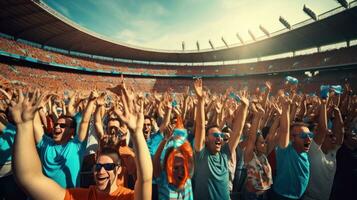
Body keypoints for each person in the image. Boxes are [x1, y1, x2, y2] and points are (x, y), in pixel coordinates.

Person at [10, 88, 152, 200]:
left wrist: (137, 132)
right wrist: (24, 126)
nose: (101, 171)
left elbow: (145, 179)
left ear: (119, 169)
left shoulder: (128, 197)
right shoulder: (81, 196)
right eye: (98, 166)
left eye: (108, 166)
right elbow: (29, 178)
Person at [192, 79, 249, 200]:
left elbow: (238, 132)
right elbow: (201, 127)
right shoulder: (201, 155)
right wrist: (201, 100)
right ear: (206, 139)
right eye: (215, 135)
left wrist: (244, 107)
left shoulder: (225, 154)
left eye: (220, 135)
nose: (219, 137)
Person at [32, 90, 98, 188]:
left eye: (62, 125)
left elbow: (84, 121)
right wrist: (36, 106)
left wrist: (91, 101)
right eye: (56, 124)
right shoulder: (45, 143)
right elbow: (36, 124)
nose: (57, 127)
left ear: (72, 131)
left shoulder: (76, 145)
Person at [270, 96, 312, 200]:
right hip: (282, 197)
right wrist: (285, 108)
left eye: (310, 135)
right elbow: (285, 130)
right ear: (292, 138)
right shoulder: (285, 150)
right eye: (303, 136)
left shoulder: (303, 151)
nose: (308, 139)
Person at [304, 99, 344, 200]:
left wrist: (337, 112)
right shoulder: (313, 151)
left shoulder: (332, 152)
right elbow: (322, 129)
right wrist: (323, 104)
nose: (334, 138)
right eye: (330, 136)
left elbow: (340, 134)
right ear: (322, 138)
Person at [153, 117, 194, 200]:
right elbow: (156, 161)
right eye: (175, 168)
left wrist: (183, 139)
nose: (180, 172)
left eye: (183, 167)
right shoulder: (163, 180)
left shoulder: (187, 180)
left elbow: (190, 159)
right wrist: (165, 139)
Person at [329, 117, 357, 200]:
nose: (355, 134)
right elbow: (338, 132)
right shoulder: (340, 149)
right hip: (339, 192)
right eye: (353, 132)